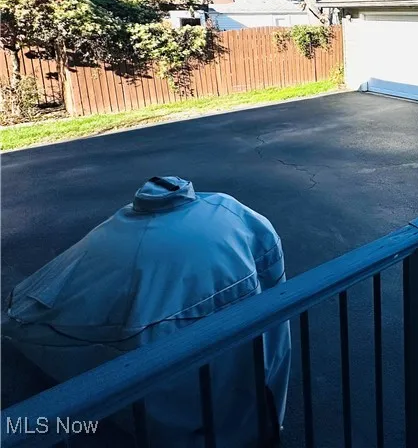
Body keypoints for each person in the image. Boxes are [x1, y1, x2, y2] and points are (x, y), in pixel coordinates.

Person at [5, 176, 291, 446]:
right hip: (242, 346)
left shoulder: (118, 242)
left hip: (165, 347)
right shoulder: (229, 210)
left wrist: (17, 317)